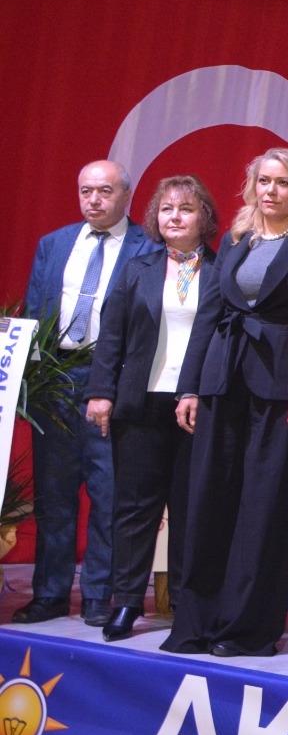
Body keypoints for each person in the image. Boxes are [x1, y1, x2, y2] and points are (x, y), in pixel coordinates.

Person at [164, 148, 288, 657]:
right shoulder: (235, 239)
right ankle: (196, 624)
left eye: (283, 183)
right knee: (208, 502)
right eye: (264, 181)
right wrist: (190, 387)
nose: (271, 191)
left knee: (264, 510)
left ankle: (246, 630)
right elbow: (209, 314)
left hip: (280, 388)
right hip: (222, 381)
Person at [16, 160, 158, 627]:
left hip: (111, 380)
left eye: (104, 191)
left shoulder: (147, 247)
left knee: (108, 492)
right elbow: (34, 312)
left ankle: (99, 594)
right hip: (55, 379)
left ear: (126, 196)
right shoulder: (53, 244)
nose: (93, 200)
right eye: (86, 191)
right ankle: (50, 592)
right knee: (54, 495)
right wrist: (26, 382)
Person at [83, 175, 218, 641]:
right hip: (140, 404)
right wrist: (101, 391)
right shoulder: (137, 268)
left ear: (204, 217)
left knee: (190, 509)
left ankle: (185, 602)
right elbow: (111, 334)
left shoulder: (222, 271)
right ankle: (125, 603)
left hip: (198, 406)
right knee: (134, 508)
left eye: (185, 208)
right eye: (166, 209)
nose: (174, 217)